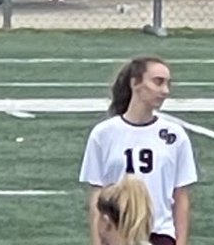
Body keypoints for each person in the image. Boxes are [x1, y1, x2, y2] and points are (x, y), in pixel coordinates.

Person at [80, 57, 196, 245]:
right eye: (158, 82)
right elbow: (97, 195)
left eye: (168, 84)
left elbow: (180, 196)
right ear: (135, 83)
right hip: (118, 233)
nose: (165, 91)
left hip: (159, 233)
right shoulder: (103, 134)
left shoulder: (175, 136)